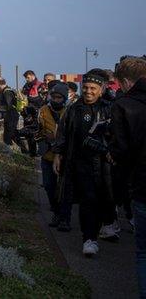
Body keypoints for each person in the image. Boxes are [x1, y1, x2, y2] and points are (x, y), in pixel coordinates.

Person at [54, 69, 117, 258]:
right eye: (86, 87)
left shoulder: (109, 108)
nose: (89, 91)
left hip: (103, 164)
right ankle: (89, 239)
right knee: (87, 201)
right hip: (78, 163)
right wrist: (58, 154)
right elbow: (63, 133)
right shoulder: (74, 108)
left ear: (101, 89)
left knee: (103, 201)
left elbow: (116, 135)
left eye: (93, 88)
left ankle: (103, 228)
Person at [110, 57, 146, 296]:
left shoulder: (124, 105)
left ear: (124, 81)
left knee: (144, 252)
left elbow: (120, 152)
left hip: (143, 186)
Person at [39, 82, 71, 231]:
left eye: (59, 97)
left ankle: (64, 218)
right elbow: (38, 131)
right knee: (48, 185)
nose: (56, 100)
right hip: (48, 154)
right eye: (54, 97)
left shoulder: (70, 111)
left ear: (64, 98)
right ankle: (56, 211)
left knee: (65, 189)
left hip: (65, 155)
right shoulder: (43, 110)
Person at [0, 77, 21, 147]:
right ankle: (22, 149)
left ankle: (23, 150)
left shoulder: (7, 92)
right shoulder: (8, 90)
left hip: (11, 116)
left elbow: (8, 106)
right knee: (11, 135)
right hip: (11, 115)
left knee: (8, 136)